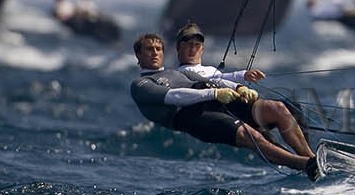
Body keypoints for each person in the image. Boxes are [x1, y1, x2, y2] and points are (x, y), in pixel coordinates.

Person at [131, 30, 322, 179]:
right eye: (149, 49)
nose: (155, 53)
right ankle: (304, 165)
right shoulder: (140, 85)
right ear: (138, 56)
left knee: (277, 108)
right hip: (192, 118)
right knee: (251, 135)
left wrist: (239, 87)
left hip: (214, 104)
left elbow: (217, 80)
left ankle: (312, 158)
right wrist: (213, 93)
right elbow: (174, 96)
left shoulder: (179, 72)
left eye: (158, 49)